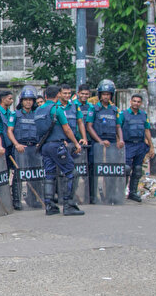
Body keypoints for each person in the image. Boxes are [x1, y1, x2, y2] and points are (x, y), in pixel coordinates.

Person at [37, 86, 85, 216]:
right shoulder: (56, 110)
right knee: (71, 173)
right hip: (57, 146)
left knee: (49, 175)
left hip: (45, 147)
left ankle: (49, 206)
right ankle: (68, 205)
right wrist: (76, 143)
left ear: (45, 96)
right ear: (58, 95)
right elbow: (67, 129)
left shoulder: (38, 110)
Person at [7, 86, 46, 210]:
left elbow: (42, 131)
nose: (28, 102)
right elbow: (9, 131)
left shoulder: (37, 114)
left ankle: (34, 199)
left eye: (30, 100)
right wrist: (16, 144)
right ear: (21, 101)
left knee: (36, 175)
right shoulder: (15, 114)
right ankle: (17, 200)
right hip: (21, 149)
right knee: (19, 175)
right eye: (26, 99)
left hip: (34, 149)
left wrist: (40, 143)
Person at [85, 79, 121, 201]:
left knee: (111, 170)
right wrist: (100, 141)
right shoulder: (94, 109)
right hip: (98, 144)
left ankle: (110, 195)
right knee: (94, 169)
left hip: (111, 143)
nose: (106, 96)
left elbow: (118, 126)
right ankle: (92, 195)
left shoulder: (114, 110)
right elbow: (89, 127)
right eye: (104, 94)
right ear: (100, 95)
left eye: (108, 94)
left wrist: (120, 139)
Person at [118, 94, 154, 203]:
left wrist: (151, 146)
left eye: (138, 102)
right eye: (134, 101)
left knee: (138, 170)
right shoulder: (123, 114)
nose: (136, 103)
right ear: (130, 101)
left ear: (141, 103)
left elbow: (147, 130)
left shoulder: (143, 115)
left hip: (140, 145)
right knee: (126, 169)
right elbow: (118, 127)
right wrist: (119, 140)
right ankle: (120, 192)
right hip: (128, 145)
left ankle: (132, 192)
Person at [0, 91, 16, 209]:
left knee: (14, 171)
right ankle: (1, 199)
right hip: (2, 145)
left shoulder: (11, 113)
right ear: (3, 99)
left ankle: (13, 198)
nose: (11, 101)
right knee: (2, 173)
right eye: (9, 99)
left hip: (10, 144)